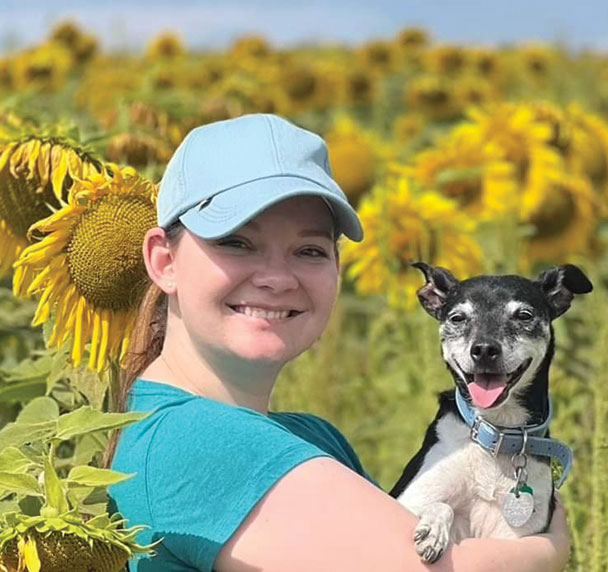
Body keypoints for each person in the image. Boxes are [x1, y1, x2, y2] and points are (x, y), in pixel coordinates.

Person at [106, 113, 571, 572]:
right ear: (163, 260)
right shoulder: (199, 442)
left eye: (309, 250)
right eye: (237, 243)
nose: (276, 278)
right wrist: (549, 548)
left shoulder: (311, 437)